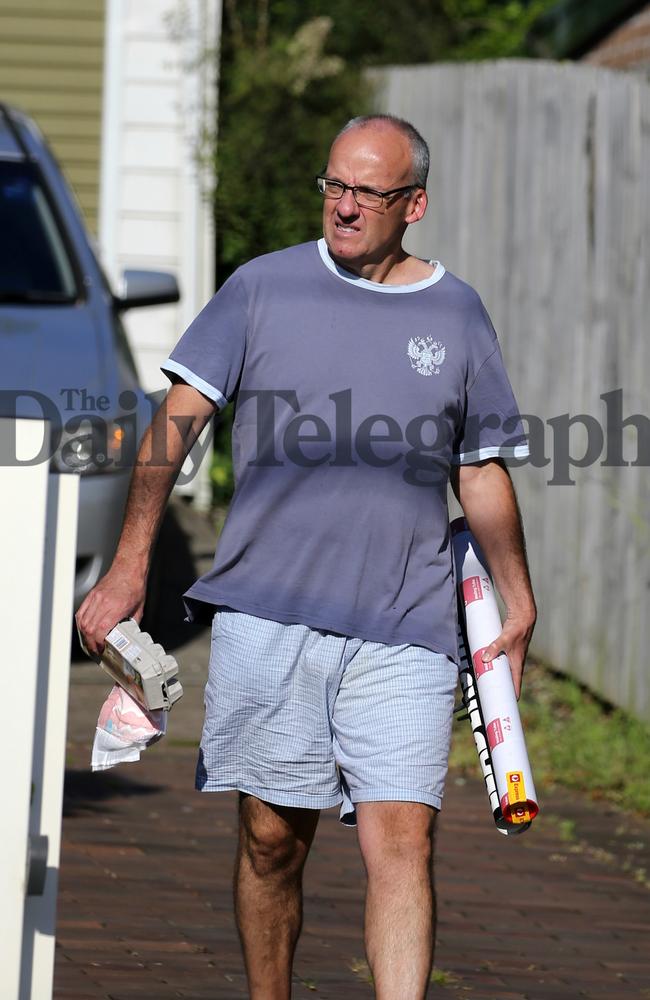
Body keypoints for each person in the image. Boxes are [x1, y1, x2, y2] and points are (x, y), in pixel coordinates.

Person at [77, 114, 536, 999]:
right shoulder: (262, 288)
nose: (346, 205)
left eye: (369, 191)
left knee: (402, 839)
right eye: (335, 185)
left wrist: (517, 600)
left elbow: (479, 469)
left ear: (415, 205)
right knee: (271, 841)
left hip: (407, 621)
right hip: (268, 611)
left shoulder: (457, 312)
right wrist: (133, 562)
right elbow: (175, 425)